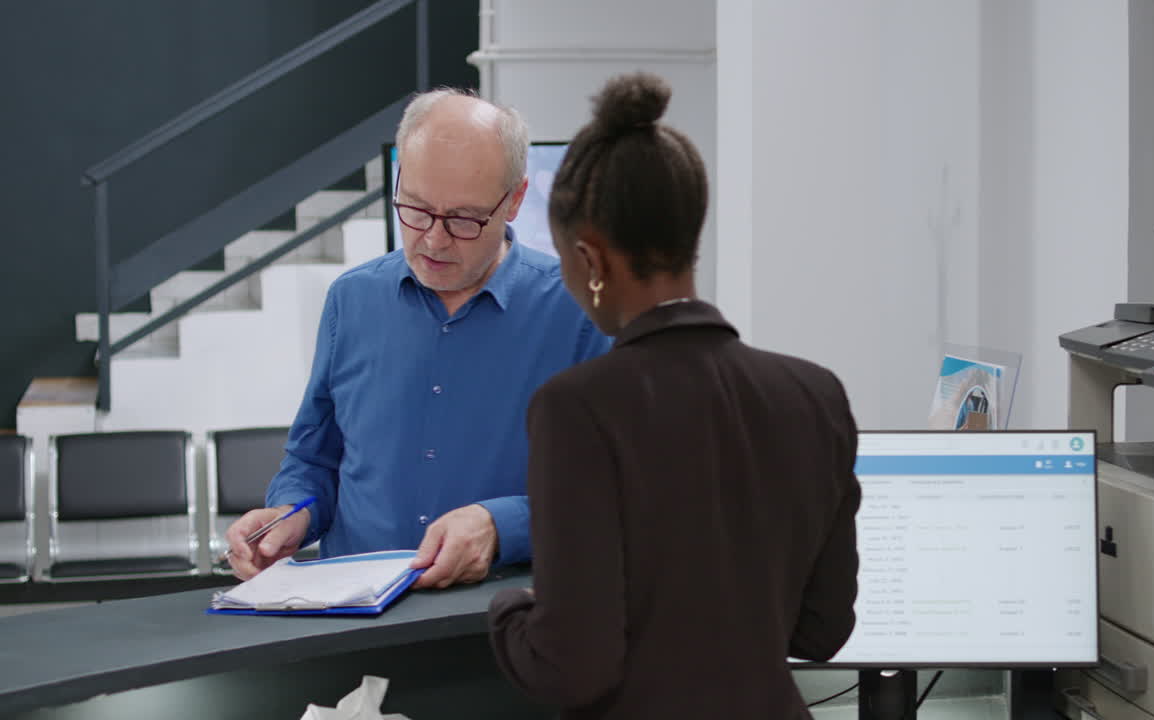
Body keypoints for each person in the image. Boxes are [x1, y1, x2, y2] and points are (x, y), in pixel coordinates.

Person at [488, 72, 861, 719]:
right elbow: (823, 632)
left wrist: (508, 612)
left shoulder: (577, 408)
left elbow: (574, 668)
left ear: (591, 260)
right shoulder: (816, 394)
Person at [224, 89, 610, 589]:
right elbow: (315, 459)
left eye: (464, 219)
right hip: (356, 621)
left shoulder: (579, 311)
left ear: (515, 200)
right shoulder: (351, 301)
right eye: (416, 209)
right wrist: (290, 514)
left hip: (510, 625)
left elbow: (612, 489)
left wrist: (503, 526)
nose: (433, 240)